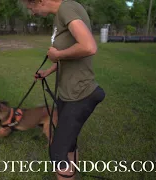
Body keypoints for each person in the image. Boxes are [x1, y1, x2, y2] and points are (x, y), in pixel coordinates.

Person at [21, 0, 106, 179]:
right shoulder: (61, 14)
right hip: (68, 94)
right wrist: (48, 71)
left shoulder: (67, 8)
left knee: (58, 154)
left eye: (31, 8)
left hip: (80, 94)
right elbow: (72, 53)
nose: (32, 13)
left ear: (39, 1)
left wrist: (57, 54)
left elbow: (89, 46)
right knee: (68, 144)